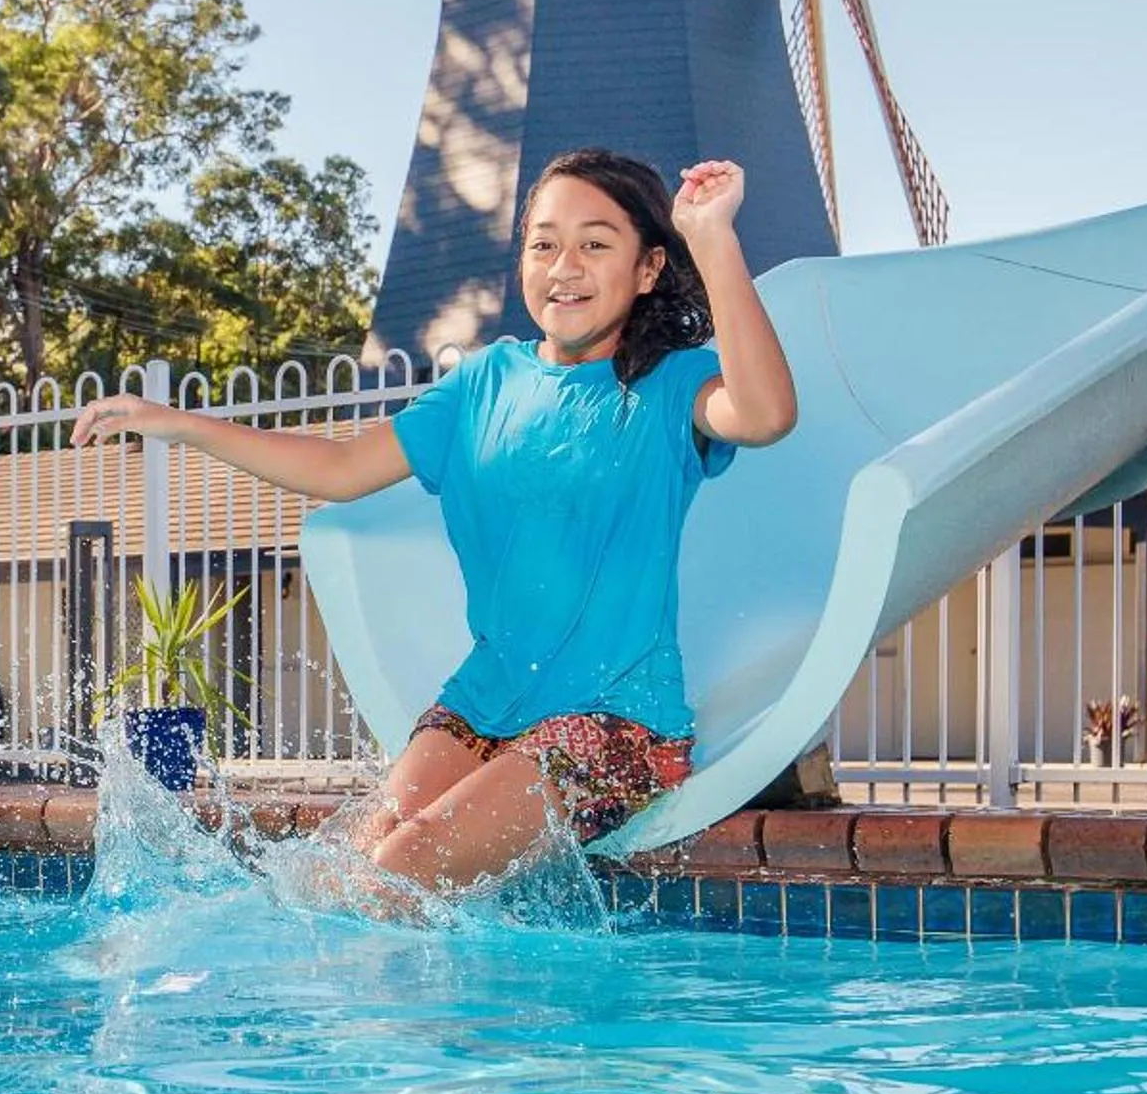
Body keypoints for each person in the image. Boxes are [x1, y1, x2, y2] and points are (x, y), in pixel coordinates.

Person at [72, 150, 798, 906]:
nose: (564, 266)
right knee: (332, 870)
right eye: (543, 243)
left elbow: (766, 413)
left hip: (616, 725)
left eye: (595, 243)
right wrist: (178, 424)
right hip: (482, 705)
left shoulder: (668, 384)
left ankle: (431, 1029)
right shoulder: (484, 382)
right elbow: (341, 467)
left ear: (647, 268)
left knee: (405, 865)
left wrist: (710, 236)